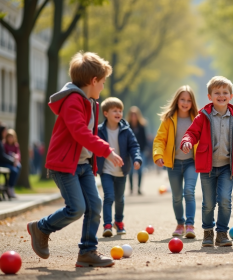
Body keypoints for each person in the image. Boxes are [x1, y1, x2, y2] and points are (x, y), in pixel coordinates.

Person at [27, 51, 123, 267]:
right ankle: (41, 227)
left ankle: (87, 251)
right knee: (76, 208)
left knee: (94, 206)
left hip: (83, 166)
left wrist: (97, 156)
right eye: (103, 82)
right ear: (94, 80)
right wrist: (107, 151)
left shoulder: (91, 103)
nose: (103, 87)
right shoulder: (73, 101)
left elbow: (90, 134)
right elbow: (80, 132)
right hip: (64, 166)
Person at [181, 76, 233, 247]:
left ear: (231, 96)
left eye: (225, 93)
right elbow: (191, 133)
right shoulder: (203, 117)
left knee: (224, 200)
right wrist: (187, 141)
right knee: (208, 203)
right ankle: (208, 232)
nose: (221, 96)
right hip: (207, 168)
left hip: (226, 168)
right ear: (209, 96)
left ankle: (221, 233)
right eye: (217, 93)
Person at [153, 85, 199, 238]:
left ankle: (190, 225)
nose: (185, 103)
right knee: (177, 196)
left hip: (191, 162)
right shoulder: (169, 119)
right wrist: (158, 155)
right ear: (177, 100)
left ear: (192, 103)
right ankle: (180, 224)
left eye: (188, 100)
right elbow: (160, 139)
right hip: (173, 163)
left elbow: (204, 139)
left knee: (189, 192)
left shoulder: (197, 119)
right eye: (182, 99)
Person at [97, 97, 142, 237]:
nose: (118, 113)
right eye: (114, 110)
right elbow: (94, 148)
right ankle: (107, 225)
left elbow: (134, 146)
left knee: (120, 199)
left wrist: (137, 159)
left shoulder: (126, 130)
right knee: (109, 197)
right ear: (105, 113)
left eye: (120, 110)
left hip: (122, 171)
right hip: (106, 170)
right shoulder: (99, 130)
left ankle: (119, 221)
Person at [127, 106, 148, 195]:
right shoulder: (127, 126)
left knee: (140, 170)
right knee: (131, 171)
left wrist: (146, 149)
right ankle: (131, 189)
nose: (133, 117)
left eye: (135, 115)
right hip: (130, 152)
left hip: (141, 151)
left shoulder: (142, 126)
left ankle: (139, 188)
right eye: (132, 115)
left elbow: (144, 139)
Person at [0, 126, 21, 198]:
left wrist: (16, 158)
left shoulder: (15, 145)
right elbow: (3, 156)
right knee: (14, 170)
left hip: (12, 162)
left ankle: (11, 186)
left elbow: (18, 154)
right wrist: (12, 161)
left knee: (18, 166)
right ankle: (10, 186)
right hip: (6, 162)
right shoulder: (3, 144)